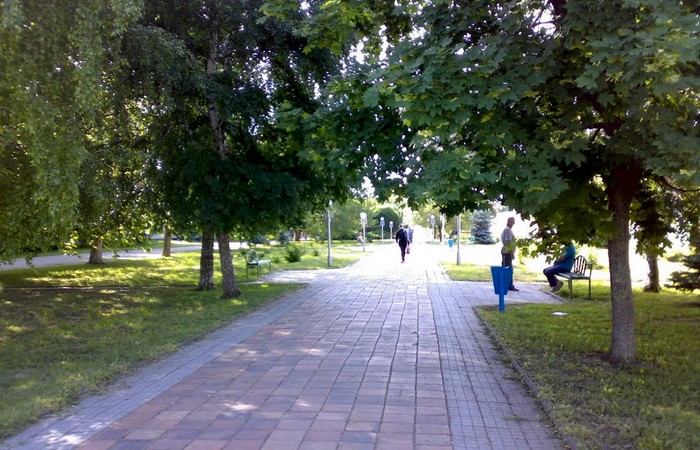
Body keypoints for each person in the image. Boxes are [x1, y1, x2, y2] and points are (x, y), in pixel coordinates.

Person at [500, 217, 518, 291]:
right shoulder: (507, 230)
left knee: (509, 269)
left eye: (513, 221)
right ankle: (508, 285)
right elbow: (508, 242)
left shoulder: (508, 229)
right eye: (512, 221)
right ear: (508, 221)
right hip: (507, 253)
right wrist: (511, 253)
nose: (513, 223)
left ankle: (508, 284)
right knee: (507, 269)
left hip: (507, 252)